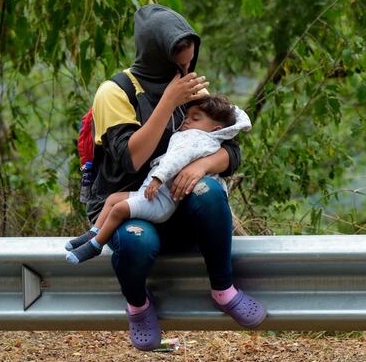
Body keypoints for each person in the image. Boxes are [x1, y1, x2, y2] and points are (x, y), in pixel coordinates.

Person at [80, 4, 265, 351]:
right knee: (137, 241)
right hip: (129, 207)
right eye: (177, 64)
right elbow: (133, 160)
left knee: (209, 189)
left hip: (173, 205)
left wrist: (202, 167)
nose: (185, 71)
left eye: (190, 63)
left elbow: (231, 150)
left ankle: (223, 289)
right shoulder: (115, 92)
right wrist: (168, 101)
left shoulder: (191, 91)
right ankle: (138, 305)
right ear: (156, 57)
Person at [65, 95, 249, 264]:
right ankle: (92, 233)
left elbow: (176, 160)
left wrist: (158, 178)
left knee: (119, 209)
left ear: (216, 129)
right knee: (113, 199)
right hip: (149, 192)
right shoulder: (120, 92)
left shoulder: (196, 138)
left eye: (195, 118)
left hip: (161, 198)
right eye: (188, 116)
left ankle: (95, 245)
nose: (186, 120)